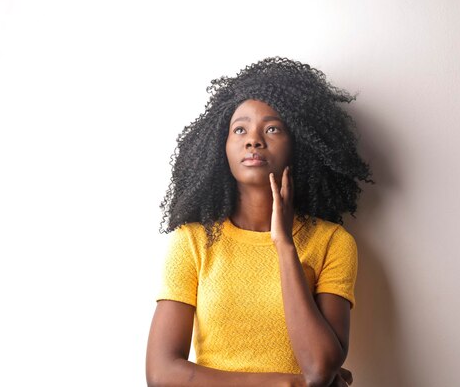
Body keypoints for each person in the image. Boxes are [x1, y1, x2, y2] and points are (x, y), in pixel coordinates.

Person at [146, 57, 374, 387]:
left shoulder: (333, 242)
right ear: (220, 147)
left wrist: (284, 244)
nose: (253, 140)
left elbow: (321, 367)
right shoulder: (192, 242)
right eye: (240, 129)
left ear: (299, 145)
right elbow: (161, 373)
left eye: (272, 128)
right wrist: (287, 384)